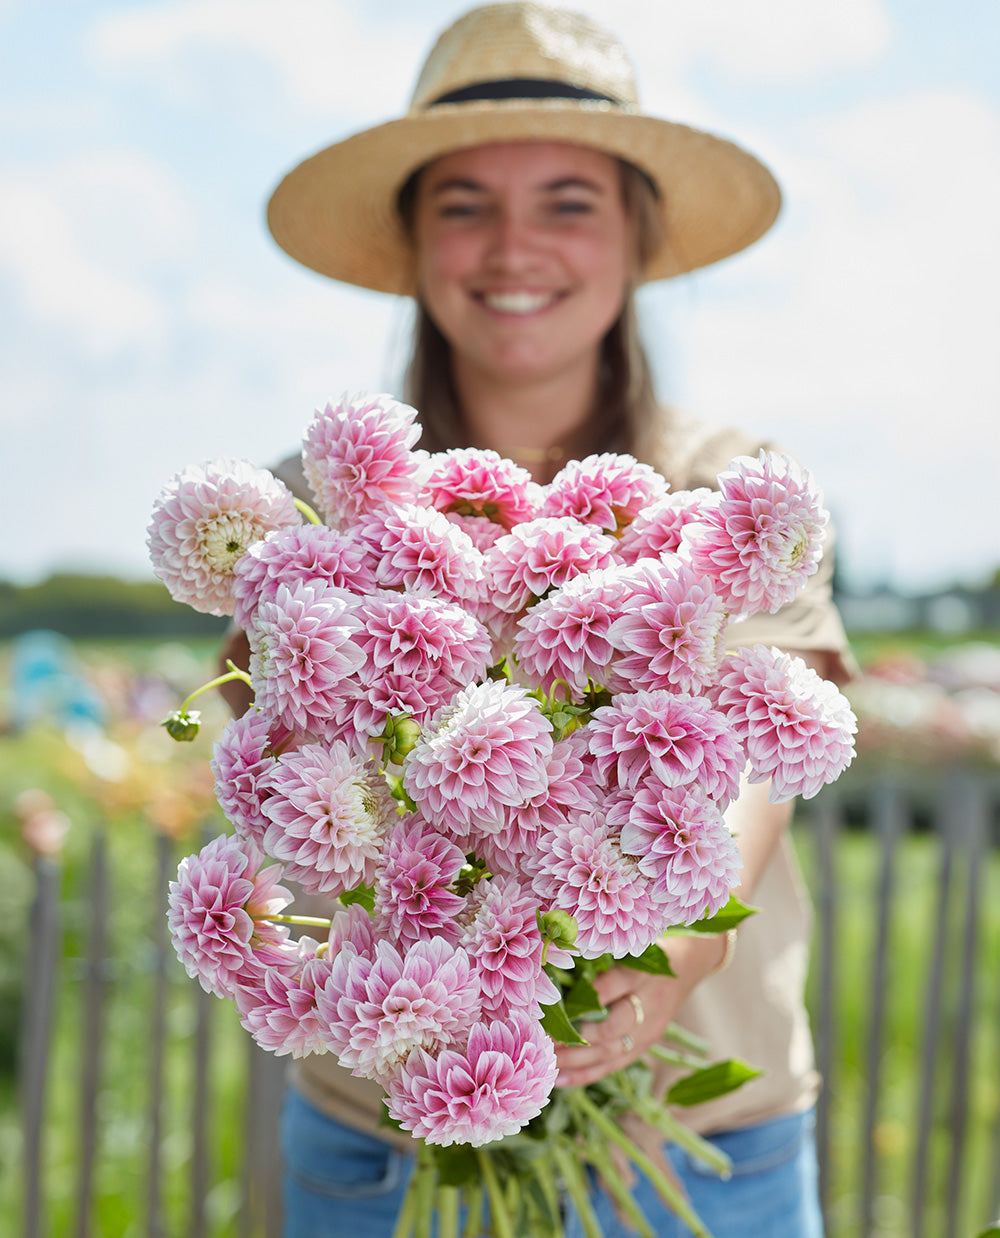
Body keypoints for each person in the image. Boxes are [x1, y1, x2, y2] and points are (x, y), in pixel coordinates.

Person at [223, 4, 855, 1235]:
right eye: (463, 203)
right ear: (412, 239)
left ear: (634, 233)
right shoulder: (307, 507)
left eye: (568, 199)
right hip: (382, 1130)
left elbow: (766, 746)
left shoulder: (728, 483)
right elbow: (270, 773)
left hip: (695, 1144)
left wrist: (672, 951)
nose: (513, 245)